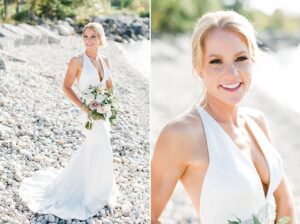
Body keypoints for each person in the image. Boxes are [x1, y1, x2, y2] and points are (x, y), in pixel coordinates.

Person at [151, 11, 297, 224]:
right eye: (216, 61)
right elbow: (150, 215)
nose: (232, 73)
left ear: (253, 59)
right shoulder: (179, 134)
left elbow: (284, 199)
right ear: (198, 67)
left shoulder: (258, 121)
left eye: (241, 58)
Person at [19, 22, 117, 220]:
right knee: (99, 145)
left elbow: (109, 86)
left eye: (93, 37)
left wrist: (108, 103)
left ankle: (101, 190)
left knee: (99, 149)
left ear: (100, 39)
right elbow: (66, 87)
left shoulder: (105, 59)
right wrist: (85, 107)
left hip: (103, 113)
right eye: (85, 37)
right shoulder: (77, 61)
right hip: (88, 113)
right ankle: (89, 195)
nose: (89, 41)